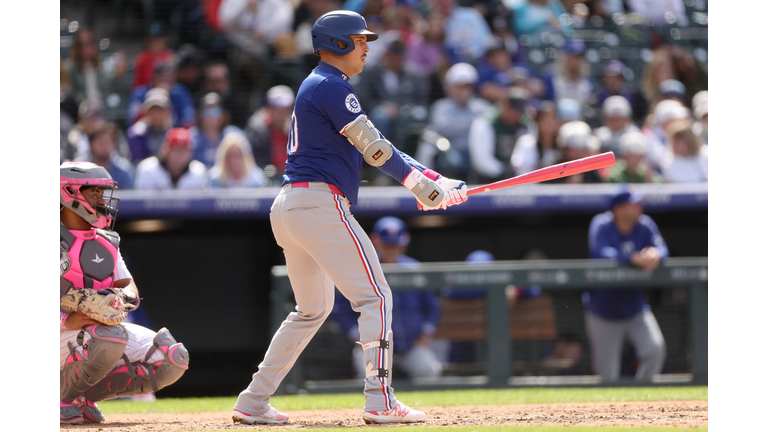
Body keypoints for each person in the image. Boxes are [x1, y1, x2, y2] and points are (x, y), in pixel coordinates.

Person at [232, 10, 469, 426]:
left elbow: (380, 144)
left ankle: (253, 400)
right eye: (359, 41)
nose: (366, 48)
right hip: (319, 205)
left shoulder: (321, 84)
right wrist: (418, 185)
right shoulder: (331, 84)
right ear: (337, 43)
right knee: (376, 298)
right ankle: (380, 399)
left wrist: (436, 179)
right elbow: (374, 148)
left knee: (311, 310)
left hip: (292, 206)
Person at [59, 161, 189, 424]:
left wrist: (110, 301)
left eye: (102, 193)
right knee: (108, 337)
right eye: (94, 193)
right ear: (69, 193)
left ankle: (82, 397)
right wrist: (67, 319)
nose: (101, 200)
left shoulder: (107, 241)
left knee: (172, 358)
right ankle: (60, 398)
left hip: (99, 332)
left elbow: (130, 288)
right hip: (60, 332)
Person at [331, 217, 443, 379]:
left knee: (429, 369)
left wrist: (426, 335)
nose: (392, 249)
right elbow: (340, 310)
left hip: (411, 346)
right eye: (388, 244)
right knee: (367, 373)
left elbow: (432, 307)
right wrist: (356, 335)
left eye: (396, 245)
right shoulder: (362, 270)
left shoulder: (414, 269)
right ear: (375, 241)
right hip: (374, 346)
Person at [584, 184, 668, 382]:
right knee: (608, 376)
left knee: (655, 350)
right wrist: (630, 258)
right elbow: (600, 252)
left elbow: (662, 249)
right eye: (633, 204)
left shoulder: (645, 224)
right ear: (619, 209)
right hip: (603, 311)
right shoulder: (601, 224)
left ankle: (640, 393)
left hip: (635, 308)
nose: (639, 207)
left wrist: (656, 254)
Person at [415, 62, 492, 179]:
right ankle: (423, 181)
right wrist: (470, 126)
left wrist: (460, 124)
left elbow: (488, 128)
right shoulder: (441, 107)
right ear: (450, 87)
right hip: (450, 149)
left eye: (467, 86)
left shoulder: (482, 106)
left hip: (477, 150)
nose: (464, 90)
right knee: (443, 156)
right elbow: (444, 129)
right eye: (460, 86)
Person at [468, 87, 532, 183]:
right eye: (514, 110)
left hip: (516, 179)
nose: (517, 115)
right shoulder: (485, 123)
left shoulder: (525, 125)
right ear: (505, 105)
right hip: (488, 180)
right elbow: (481, 160)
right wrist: (503, 171)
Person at [63, 27, 128, 106]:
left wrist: (119, 73)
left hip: (102, 108)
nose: (85, 49)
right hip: (80, 108)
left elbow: (114, 87)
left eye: (89, 44)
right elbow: (68, 93)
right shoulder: (69, 68)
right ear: (76, 47)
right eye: (81, 45)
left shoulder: (102, 67)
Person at [127, 61, 197, 128]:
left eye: (169, 79)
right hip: (147, 133)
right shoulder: (140, 94)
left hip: (174, 133)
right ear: (153, 78)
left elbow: (188, 118)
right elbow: (133, 120)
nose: (166, 81)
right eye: (162, 78)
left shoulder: (180, 92)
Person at [245, 85, 296, 176]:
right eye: (279, 109)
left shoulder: (296, 132)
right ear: (268, 109)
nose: (284, 114)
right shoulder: (257, 134)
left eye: (287, 109)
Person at [134, 128, 208, 190]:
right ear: (166, 151)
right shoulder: (148, 169)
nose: (180, 155)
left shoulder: (198, 171)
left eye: (184, 150)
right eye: (176, 150)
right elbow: (142, 201)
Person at [190, 92, 248, 168]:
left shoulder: (234, 135)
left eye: (216, 111)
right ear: (199, 115)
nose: (211, 116)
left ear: (223, 115)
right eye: (207, 111)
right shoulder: (191, 138)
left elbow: (247, 160)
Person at [511, 100, 561, 175]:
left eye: (553, 119)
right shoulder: (527, 142)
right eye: (546, 120)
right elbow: (520, 169)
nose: (549, 124)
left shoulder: (562, 145)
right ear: (538, 122)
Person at [126, 88, 173, 164]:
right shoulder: (137, 133)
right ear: (146, 112)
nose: (157, 114)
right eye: (153, 110)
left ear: (167, 112)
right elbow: (138, 162)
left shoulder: (171, 133)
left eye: (160, 110)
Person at [199, 61, 250, 128]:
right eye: (210, 81)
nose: (213, 85)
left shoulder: (237, 104)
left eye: (218, 81)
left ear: (227, 81)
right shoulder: (199, 101)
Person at [87, 122, 136, 189]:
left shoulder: (125, 170)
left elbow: (128, 194)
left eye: (107, 142)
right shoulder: (78, 169)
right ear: (91, 143)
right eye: (100, 142)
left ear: (115, 145)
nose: (104, 146)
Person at [596, 60, 648, 125]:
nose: (612, 80)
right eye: (609, 77)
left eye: (616, 77)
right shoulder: (596, 99)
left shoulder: (635, 98)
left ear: (622, 78)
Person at [132, 22, 174, 90]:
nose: (155, 42)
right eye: (152, 39)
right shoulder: (142, 58)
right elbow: (138, 85)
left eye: (158, 39)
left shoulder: (171, 56)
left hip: (167, 91)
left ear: (165, 39)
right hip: (147, 92)